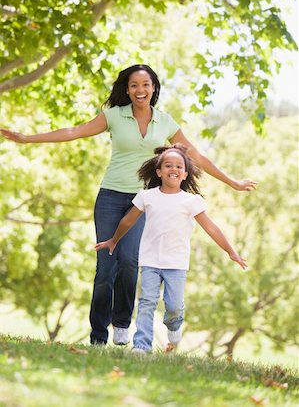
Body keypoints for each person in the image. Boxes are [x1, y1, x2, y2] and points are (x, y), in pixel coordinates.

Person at [0, 64, 256, 346]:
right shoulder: (114, 116)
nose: (140, 90)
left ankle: (122, 324)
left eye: (145, 85)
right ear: (127, 89)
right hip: (110, 196)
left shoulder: (166, 122)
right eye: (134, 85)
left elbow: (197, 157)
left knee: (130, 263)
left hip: (144, 202)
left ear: (154, 88)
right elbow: (74, 132)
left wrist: (231, 181)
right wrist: (28, 138)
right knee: (105, 268)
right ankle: (98, 335)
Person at [95, 144, 247, 354]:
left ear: (185, 173)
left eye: (178, 166)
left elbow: (211, 227)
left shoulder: (190, 201)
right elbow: (128, 222)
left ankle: (174, 325)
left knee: (174, 306)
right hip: (150, 262)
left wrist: (231, 251)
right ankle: (141, 345)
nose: (173, 169)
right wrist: (113, 240)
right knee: (147, 302)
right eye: (168, 165)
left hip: (176, 264)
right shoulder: (146, 196)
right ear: (159, 171)